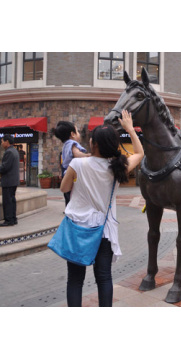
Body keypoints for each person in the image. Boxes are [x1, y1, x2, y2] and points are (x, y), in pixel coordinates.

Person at [60, 110, 144, 307]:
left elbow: (64, 188)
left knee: (75, 280)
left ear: (94, 144)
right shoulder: (117, 167)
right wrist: (130, 129)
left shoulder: (77, 163)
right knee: (104, 278)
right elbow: (139, 153)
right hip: (103, 231)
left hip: (77, 229)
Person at [54, 121, 90, 206]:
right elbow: (77, 154)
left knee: (68, 197)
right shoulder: (72, 143)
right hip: (73, 174)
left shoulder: (65, 145)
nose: (79, 134)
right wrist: (88, 155)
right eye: (77, 131)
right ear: (72, 134)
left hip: (66, 173)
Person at [0, 135, 20, 226]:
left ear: (7, 141)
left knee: (8, 201)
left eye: (2, 141)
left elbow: (4, 167)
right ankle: (13, 218)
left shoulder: (9, 152)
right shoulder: (14, 151)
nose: (1, 143)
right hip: (13, 181)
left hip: (8, 181)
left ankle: (9, 220)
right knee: (12, 200)